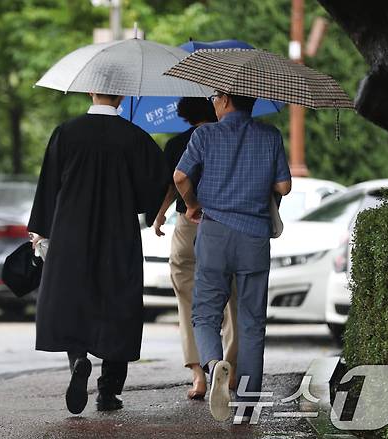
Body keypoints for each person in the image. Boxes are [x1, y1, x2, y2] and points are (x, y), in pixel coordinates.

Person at [28, 92, 169, 415]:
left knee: (74, 300)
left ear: (91, 92)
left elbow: (48, 184)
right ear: (121, 95)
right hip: (118, 233)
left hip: (70, 233)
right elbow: (156, 185)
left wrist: (41, 229)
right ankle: (109, 392)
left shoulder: (67, 131)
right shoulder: (135, 137)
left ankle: (79, 359)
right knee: (118, 305)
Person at [173, 91, 291, 422]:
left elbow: (180, 176)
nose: (212, 102)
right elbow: (284, 187)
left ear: (224, 100)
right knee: (252, 322)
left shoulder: (205, 134)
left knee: (206, 313)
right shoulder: (270, 135)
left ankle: (214, 366)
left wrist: (192, 203)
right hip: (254, 237)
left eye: (214, 97)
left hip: (214, 233)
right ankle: (247, 406)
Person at [153, 97, 238, 400]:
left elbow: (172, 183)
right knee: (230, 297)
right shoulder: (227, 138)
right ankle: (227, 370)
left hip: (187, 223)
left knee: (187, 297)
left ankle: (199, 376)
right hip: (224, 222)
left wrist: (162, 213)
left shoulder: (177, 143)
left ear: (185, 114)